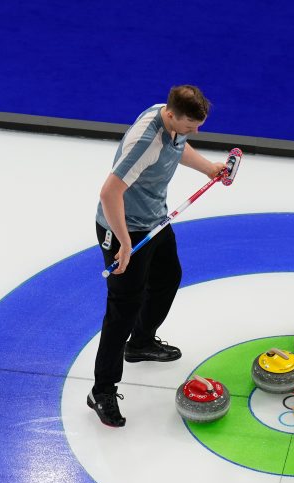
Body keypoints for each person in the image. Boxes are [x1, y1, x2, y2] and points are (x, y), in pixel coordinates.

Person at [88, 85, 227, 428]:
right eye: (191, 125)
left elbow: (178, 147)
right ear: (172, 115)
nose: (196, 131)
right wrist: (122, 244)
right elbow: (109, 193)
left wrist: (209, 168)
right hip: (124, 229)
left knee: (168, 277)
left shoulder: (168, 118)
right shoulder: (146, 142)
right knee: (122, 310)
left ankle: (142, 342)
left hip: (153, 220)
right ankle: (101, 390)